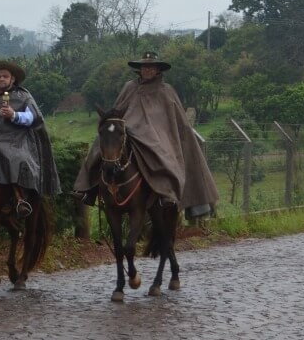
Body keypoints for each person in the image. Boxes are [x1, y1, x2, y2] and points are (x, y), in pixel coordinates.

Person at [72, 52, 218, 220]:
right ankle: (87, 188)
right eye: (144, 67)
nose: (147, 70)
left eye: (151, 67)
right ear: (140, 69)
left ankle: (167, 193)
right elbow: (117, 111)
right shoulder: (129, 87)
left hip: (157, 134)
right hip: (128, 129)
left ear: (158, 70)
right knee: (103, 141)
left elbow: (177, 122)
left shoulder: (166, 91)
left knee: (161, 152)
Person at [0, 60, 61, 216]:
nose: (1, 79)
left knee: (19, 158)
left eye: (5, 76)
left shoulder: (23, 96)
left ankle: (19, 198)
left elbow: (33, 117)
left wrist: (14, 115)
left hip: (15, 139)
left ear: (12, 79)